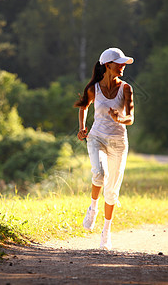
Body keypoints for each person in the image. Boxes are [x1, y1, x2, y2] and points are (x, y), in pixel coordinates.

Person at [74, 47, 135, 250]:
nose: (123, 67)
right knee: (99, 173)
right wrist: (82, 127)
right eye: (119, 64)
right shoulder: (94, 89)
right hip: (97, 137)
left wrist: (120, 118)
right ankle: (93, 208)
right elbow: (84, 106)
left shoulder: (126, 88)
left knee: (111, 191)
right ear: (108, 65)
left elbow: (130, 118)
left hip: (118, 142)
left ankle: (106, 233)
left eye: (123, 63)